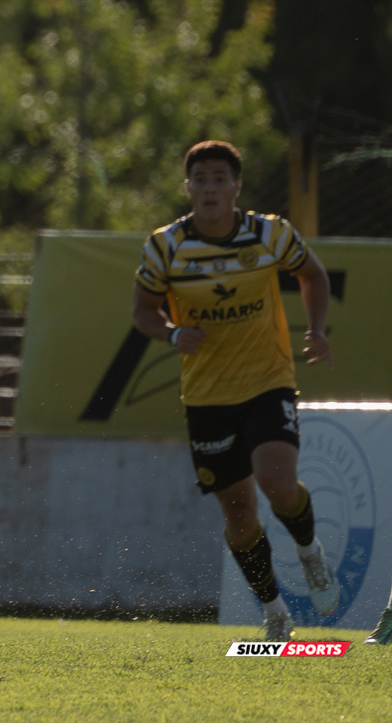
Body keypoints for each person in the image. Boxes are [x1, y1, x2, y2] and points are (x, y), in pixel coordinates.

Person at [130, 139, 336, 642]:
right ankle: (274, 613)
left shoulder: (269, 234)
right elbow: (143, 311)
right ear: (189, 188)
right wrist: (175, 333)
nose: (210, 189)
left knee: (277, 483)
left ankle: (310, 551)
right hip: (206, 398)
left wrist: (316, 328)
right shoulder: (166, 246)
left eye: (220, 178)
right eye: (200, 179)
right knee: (239, 513)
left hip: (268, 382)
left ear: (236, 187)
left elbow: (312, 273)